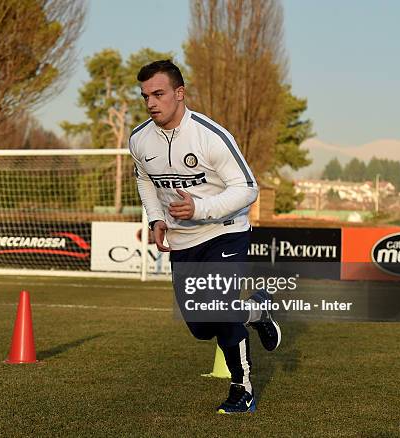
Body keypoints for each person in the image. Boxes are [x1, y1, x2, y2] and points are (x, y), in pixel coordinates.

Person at [128, 59, 281, 414]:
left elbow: (247, 188)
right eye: (145, 96)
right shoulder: (139, 139)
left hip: (224, 233)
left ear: (179, 94)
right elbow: (145, 180)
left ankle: (242, 389)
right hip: (183, 241)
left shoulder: (211, 136)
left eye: (159, 94)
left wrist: (201, 209)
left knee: (221, 312)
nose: (151, 102)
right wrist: (155, 219)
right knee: (200, 326)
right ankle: (258, 311)